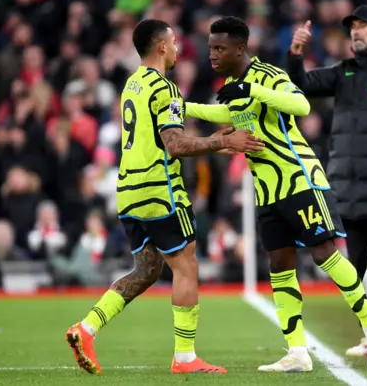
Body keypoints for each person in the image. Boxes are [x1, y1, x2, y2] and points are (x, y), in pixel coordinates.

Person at [184, 16, 367, 373]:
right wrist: (180, 106)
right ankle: (297, 351)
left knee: (325, 255)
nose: (213, 55)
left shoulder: (268, 75)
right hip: (267, 190)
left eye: (220, 48)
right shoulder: (234, 84)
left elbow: (301, 105)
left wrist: (253, 91)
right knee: (279, 266)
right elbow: (224, 112)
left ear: (241, 49)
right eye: (210, 48)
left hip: (299, 180)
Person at [65, 19, 264, 375]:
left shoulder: (132, 84)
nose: (177, 49)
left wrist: (214, 147)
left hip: (128, 193)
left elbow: (155, 141)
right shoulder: (165, 88)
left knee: (147, 271)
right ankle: (185, 358)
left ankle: (87, 328)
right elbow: (173, 144)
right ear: (160, 47)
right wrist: (222, 141)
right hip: (161, 194)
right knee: (187, 264)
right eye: (173, 42)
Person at [286, 5, 367, 357]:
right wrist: (296, 54)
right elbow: (300, 85)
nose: (356, 32)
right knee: (358, 267)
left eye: (364, 26)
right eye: (353, 27)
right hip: (348, 189)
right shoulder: (344, 73)